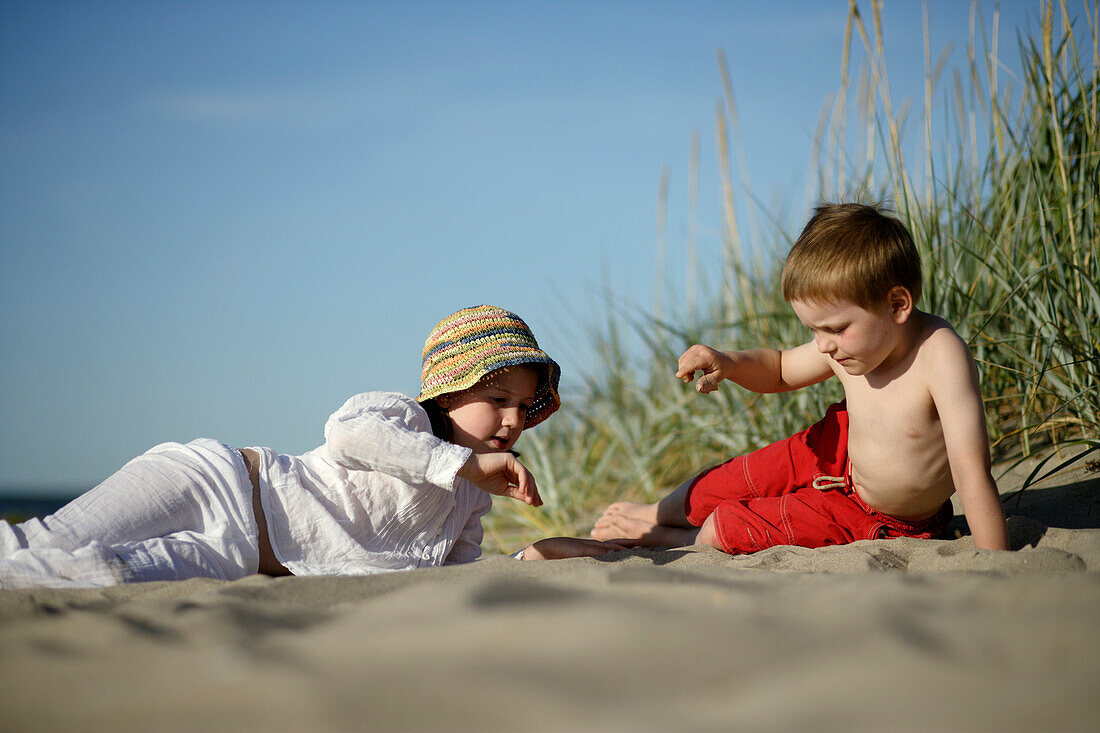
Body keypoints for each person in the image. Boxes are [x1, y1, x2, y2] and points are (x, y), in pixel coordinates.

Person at [1, 305, 619, 588]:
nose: (512, 421)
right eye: (498, 397)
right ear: (451, 390)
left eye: (522, 406)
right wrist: (460, 461)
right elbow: (347, 435)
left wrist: (526, 562)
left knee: (94, 573)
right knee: (41, 542)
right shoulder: (399, 416)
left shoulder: (470, 502)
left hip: (241, 559)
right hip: (214, 481)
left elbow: (445, 578)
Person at [591, 203, 1010, 554]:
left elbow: (972, 471)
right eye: (813, 330)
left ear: (897, 304)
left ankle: (659, 537)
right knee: (730, 480)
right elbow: (780, 369)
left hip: (879, 515)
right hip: (835, 449)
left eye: (835, 328)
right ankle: (652, 512)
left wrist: (997, 563)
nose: (824, 345)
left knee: (728, 528)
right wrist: (730, 362)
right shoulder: (852, 346)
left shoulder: (939, 356)